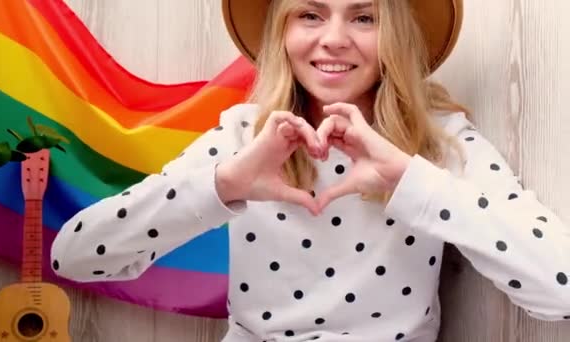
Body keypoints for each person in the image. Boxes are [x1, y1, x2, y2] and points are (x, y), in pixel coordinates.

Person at [51, 0, 570, 341]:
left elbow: (561, 290)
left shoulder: (443, 141)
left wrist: (412, 182)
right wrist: (223, 186)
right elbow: (72, 257)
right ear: (283, 30)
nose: (335, 40)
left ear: (397, 35)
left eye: (365, 17)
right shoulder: (242, 136)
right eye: (310, 14)